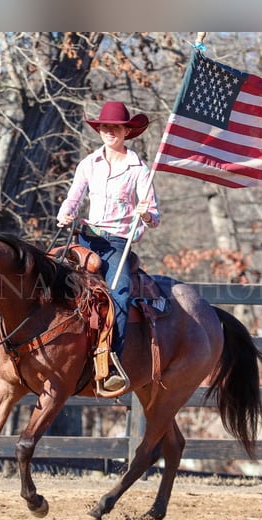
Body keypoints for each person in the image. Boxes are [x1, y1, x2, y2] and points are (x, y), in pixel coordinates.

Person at [57, 101, 160, 392]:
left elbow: (154, 215)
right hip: (86, 238)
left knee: (120, 295)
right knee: (47, 282)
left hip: (117, 243)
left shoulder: (139, 169)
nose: (109, 131)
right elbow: (74, 197)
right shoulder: (89, 164)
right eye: (104, 127)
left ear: (127, 131)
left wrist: (146, 214)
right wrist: (66, 212)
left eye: (115, 127)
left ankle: (111, 361)